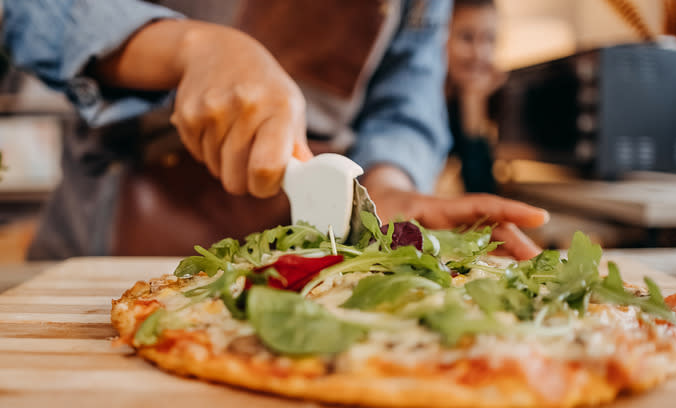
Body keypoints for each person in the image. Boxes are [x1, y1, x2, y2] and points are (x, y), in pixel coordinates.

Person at [0, 0, 546, 260]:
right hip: (110, 235)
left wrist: (387, 187)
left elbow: (406, 97)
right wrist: (189, 47)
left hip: (322, 252)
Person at [446, 0, 505, 194]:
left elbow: (482, 190)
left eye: (489, 39)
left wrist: (472, 103)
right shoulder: (415, 103)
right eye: (466, 37)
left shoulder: (489, 96)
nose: (479, 54)